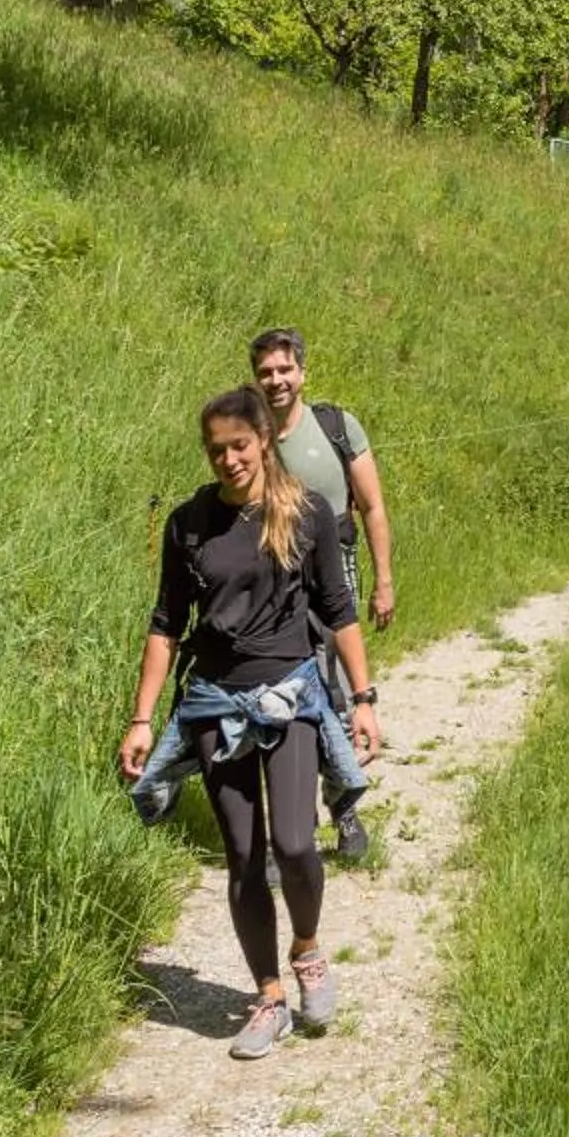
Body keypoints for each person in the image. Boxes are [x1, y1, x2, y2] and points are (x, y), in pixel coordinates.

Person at [119, 385, 382, 1061]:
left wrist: (363, 698)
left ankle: (307, 950)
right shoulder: (189, 524)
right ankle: (268, 996)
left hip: (290, 695)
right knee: (244, 858)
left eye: (239, 445)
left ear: (264, 441)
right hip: (214, 703)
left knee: (296, 844)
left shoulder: (309, 514)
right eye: (216, 450)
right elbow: (165, 625)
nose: (229, 460)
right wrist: (142, 719)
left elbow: (338, 607)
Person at [249, 327, 394, 857]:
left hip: (338, 572)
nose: (276, 379)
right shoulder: (253, 437)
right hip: (278, 578)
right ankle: (297, 817)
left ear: (302, 373)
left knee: (335, 692)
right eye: (266, 372)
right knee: (287, 693)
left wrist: (383, 582)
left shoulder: (336, 426)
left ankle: (345, 807)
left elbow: (373, 506)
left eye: (284, 369)